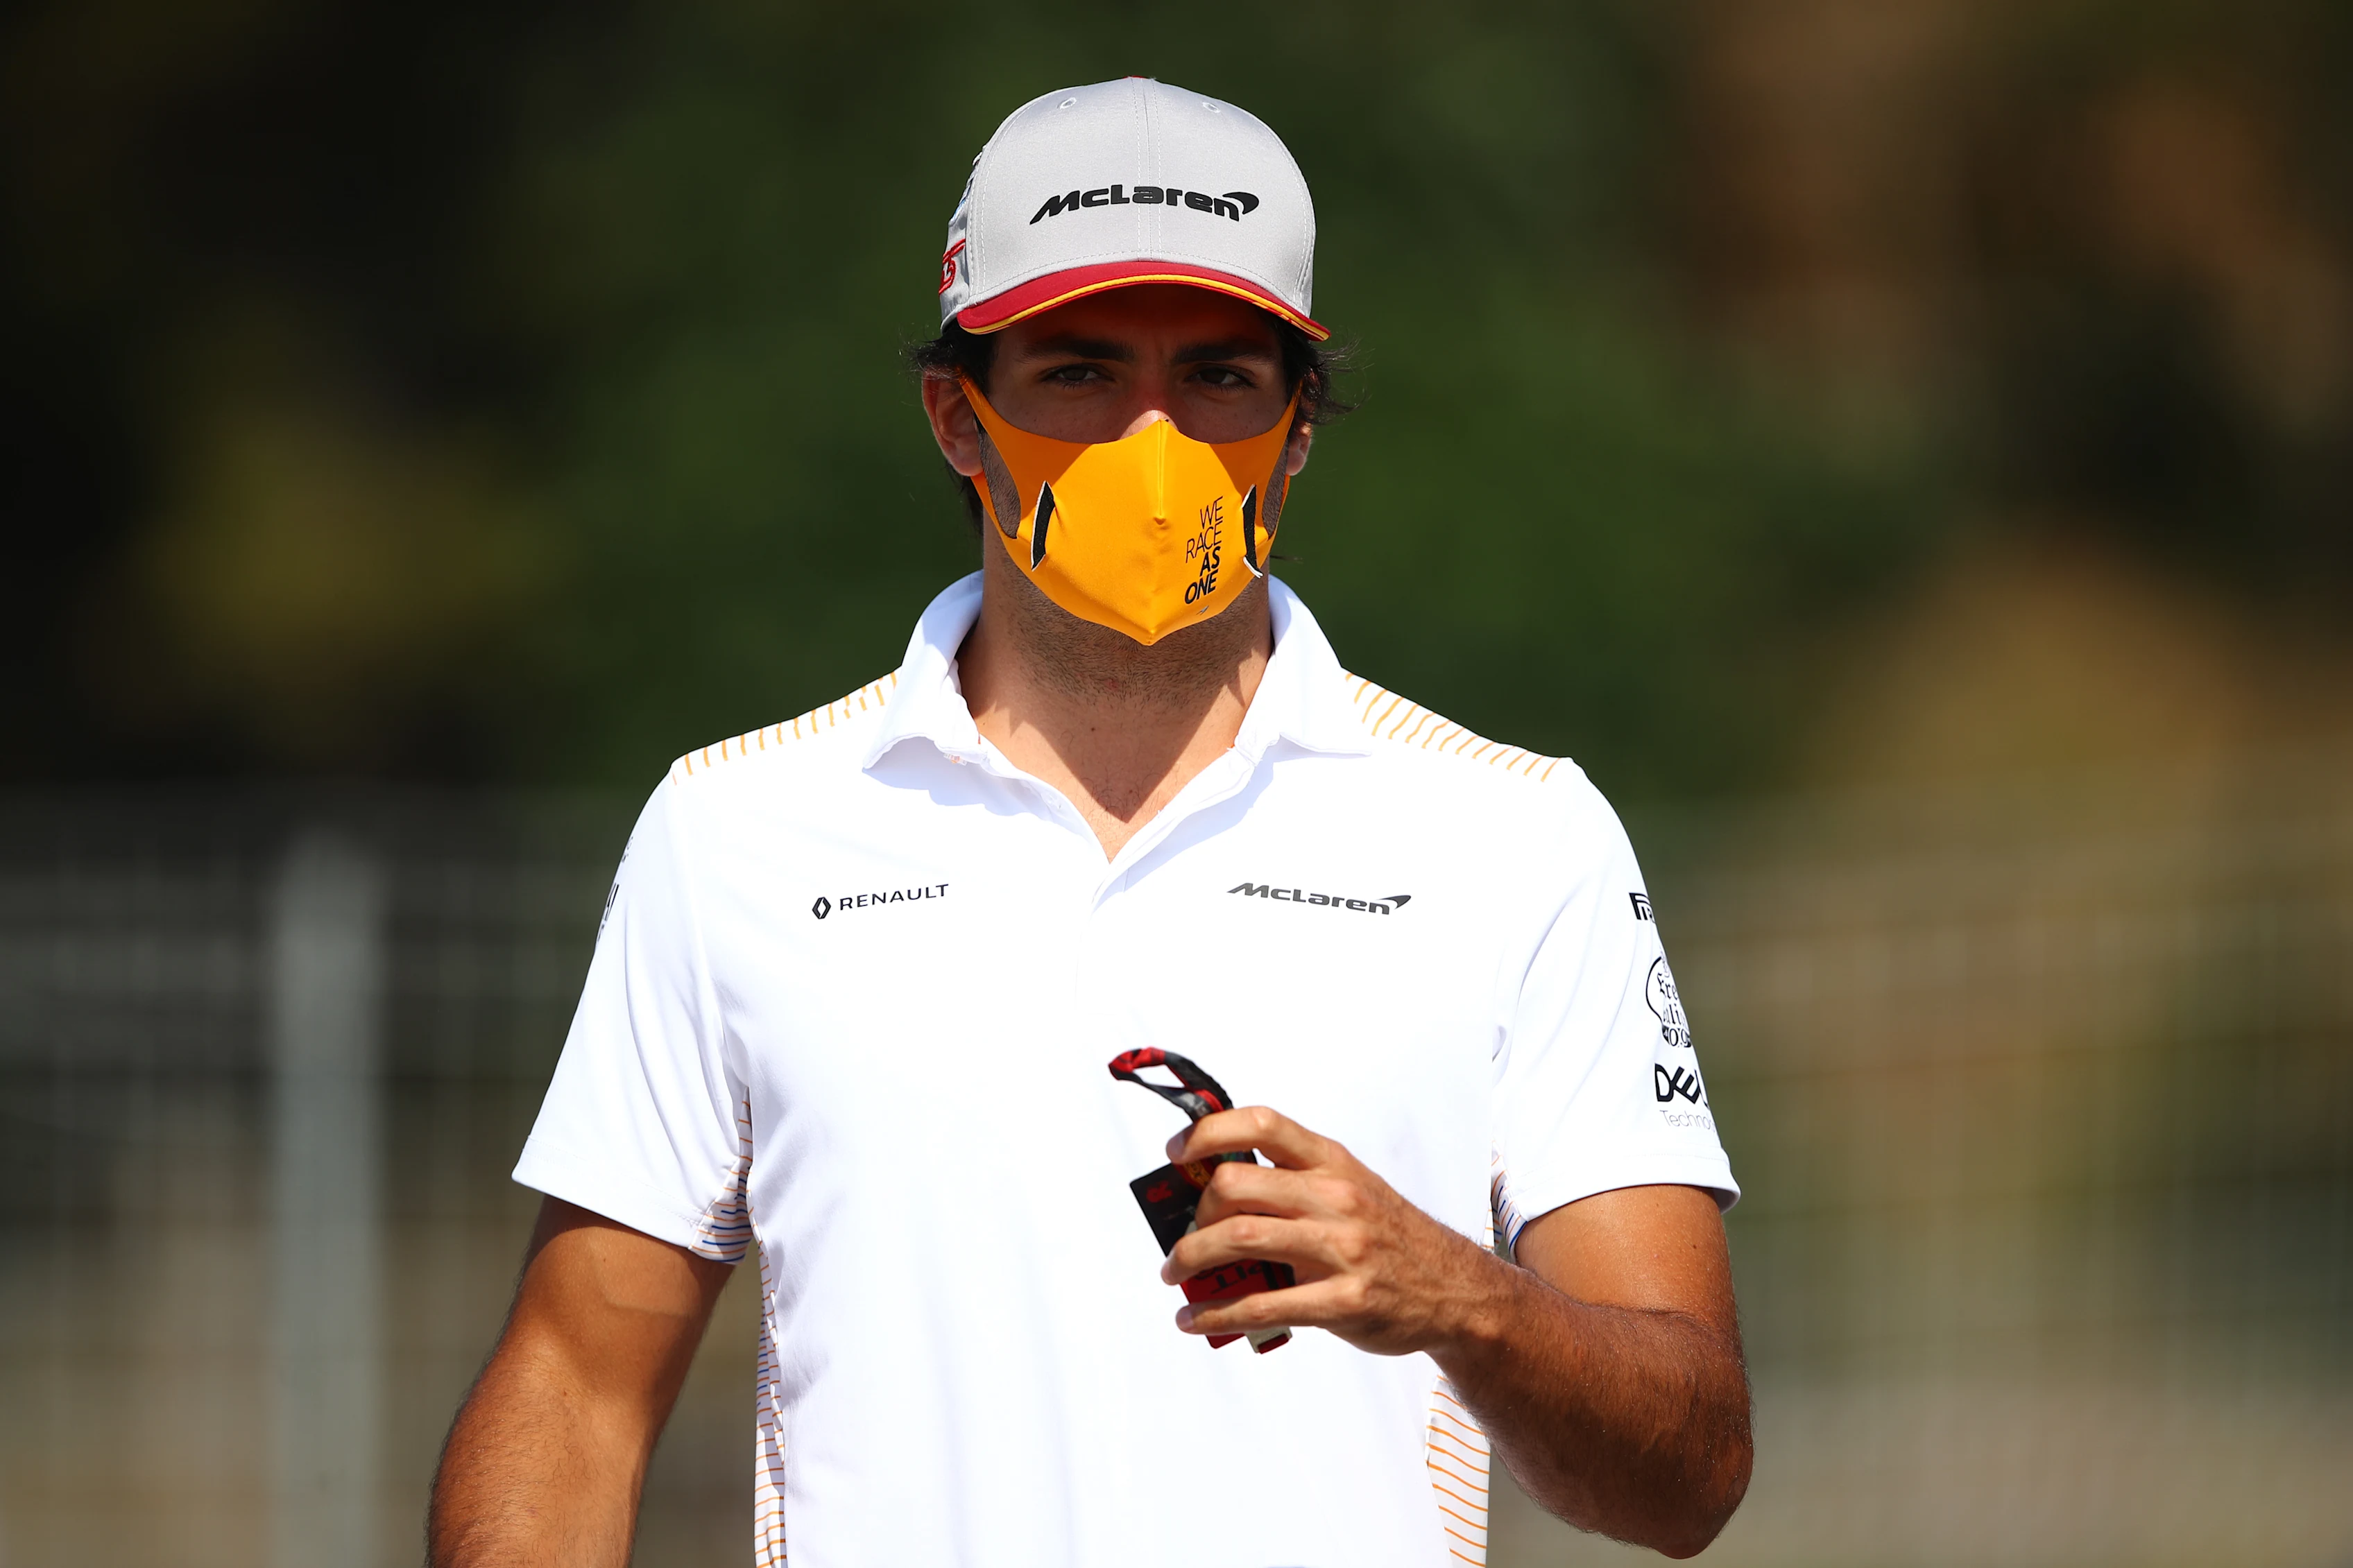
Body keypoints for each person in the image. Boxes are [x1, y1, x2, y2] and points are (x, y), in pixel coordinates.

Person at [429, 76, 1749, 1568]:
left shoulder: (1516, 836)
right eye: (1076, 373)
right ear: (955, 414)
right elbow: (576, 1387)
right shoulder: (736, 830)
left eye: (1221, 379)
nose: (1153, 438)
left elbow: (1686, 1472)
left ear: (1298, 425)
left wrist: (1459, 1293)